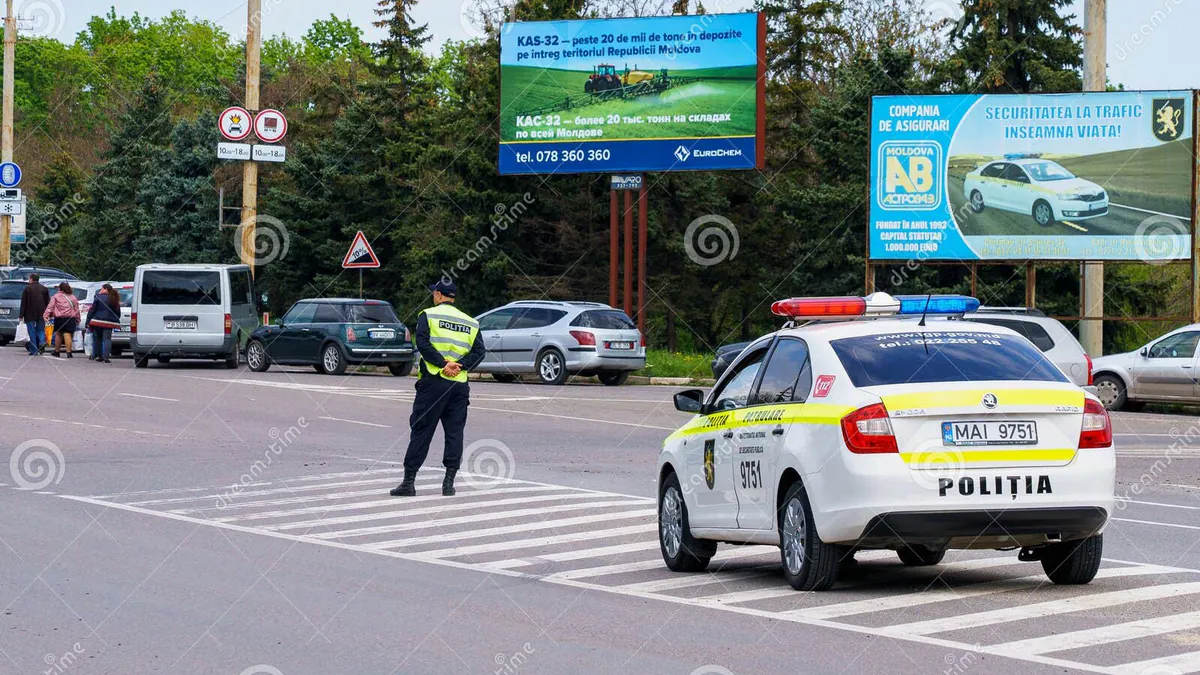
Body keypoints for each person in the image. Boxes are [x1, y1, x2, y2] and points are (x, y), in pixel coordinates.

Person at [391, 279, 486, 497]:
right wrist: (460, 365)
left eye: (434, 293)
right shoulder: (471, 322)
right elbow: (479, 352)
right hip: (459, 384)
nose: (433, 296)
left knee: (422, 429)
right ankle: (448, 484)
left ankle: (408, 482)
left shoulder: (428, 315)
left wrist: (444, 364)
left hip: (434, 382)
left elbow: (422, 343)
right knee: (455, 432)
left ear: (440, 296)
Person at [86, 283, 121, 363]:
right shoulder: (114, 298)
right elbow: (118, 312)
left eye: (101, 289)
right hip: (109, 322)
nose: (100, 291)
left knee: (98, 339)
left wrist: (88, 321)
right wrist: (115, 319)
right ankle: (106, 357)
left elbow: (92, 310)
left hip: (98, 321)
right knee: (107, 339)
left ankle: (99, 356)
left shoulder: (98, 297)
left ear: (105, 289)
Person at [44, 282, 80, 358]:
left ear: (60, 288)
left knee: (59, 334)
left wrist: (46, 315)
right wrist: (78, 319)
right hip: (70, 318)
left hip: (59, 318)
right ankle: (69, 352)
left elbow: (50, 307)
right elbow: (77, 310)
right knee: (68, 334)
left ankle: (57, 351)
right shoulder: (73, 297)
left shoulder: (56, 296)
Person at [17, 273, 50, 356]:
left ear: (31, 279)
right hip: (42, 313)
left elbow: (23, 303)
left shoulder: (27, 289)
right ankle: (42, 341)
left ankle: (34, 350)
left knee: (31, 331)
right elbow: (48, 302)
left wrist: (21, 315)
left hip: (30, 314)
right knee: (40, 330)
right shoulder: (44, 289)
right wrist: (48, 313)